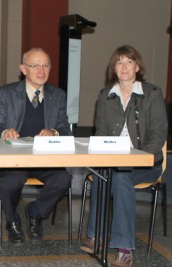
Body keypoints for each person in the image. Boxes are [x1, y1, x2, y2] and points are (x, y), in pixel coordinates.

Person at [79, 45, 168, 267]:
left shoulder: (153, 94)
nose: (124, 66)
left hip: (146, 163)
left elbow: (159, 133)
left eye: (129, 62)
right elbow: (100, 132)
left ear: (137, 67)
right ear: (114, 68)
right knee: (104, 175)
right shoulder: (105, 95)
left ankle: (124, 247)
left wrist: (140, 157)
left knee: (119, 178)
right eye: (119, 62)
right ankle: (95, 235)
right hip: (114, 161)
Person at [0, 48, 72, 245]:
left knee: (63, 179)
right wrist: (4, 132)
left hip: (45, 158)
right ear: (23, 69)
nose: (41, 70)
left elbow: (65, 129)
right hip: (14, 158)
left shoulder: (58, 95)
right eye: (35, 66)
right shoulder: (5, 93)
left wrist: (54, 132)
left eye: (46, 65)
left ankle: (35, 212)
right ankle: (12, 220)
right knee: (8, 183)